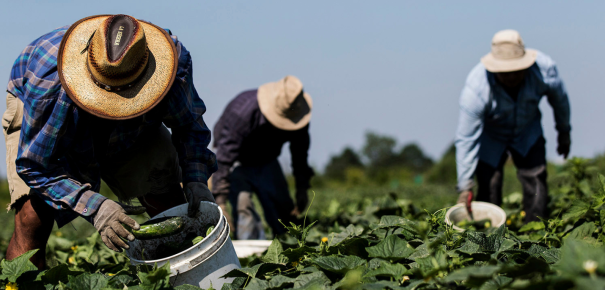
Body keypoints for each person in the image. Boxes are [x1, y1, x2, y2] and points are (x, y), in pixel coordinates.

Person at [3, 14, 217, 268]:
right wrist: (96, 207)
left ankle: (189, 276)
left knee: (168, 199)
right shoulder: (49, 86)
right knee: (32, 217)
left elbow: (189, 126)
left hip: (134, 128)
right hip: (49, 113)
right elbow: (34, 166)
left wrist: (196, 178)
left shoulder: (172, 66)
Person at [455, 30, 571, 222]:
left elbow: (560, 101)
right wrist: (465, 186)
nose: (511, 77)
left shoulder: (544, 70)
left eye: (516, 71)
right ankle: (488, 238)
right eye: (504, 73)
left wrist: (564, 131)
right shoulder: (476, 89)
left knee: (535, 181)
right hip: (492, 136)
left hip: (528, 131)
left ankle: (536, 233)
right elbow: (466, 139)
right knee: (489, 184)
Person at [212, 76, 314, 239]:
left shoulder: (298, 113)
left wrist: (302, 187)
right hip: (237, 159)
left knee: (284, 211)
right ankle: (250, 253)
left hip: (267, 160)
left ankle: (289, 246)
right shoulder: (242, 112)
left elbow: (300, 153)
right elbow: (224, 158)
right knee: (243, 205)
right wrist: (220, 201)